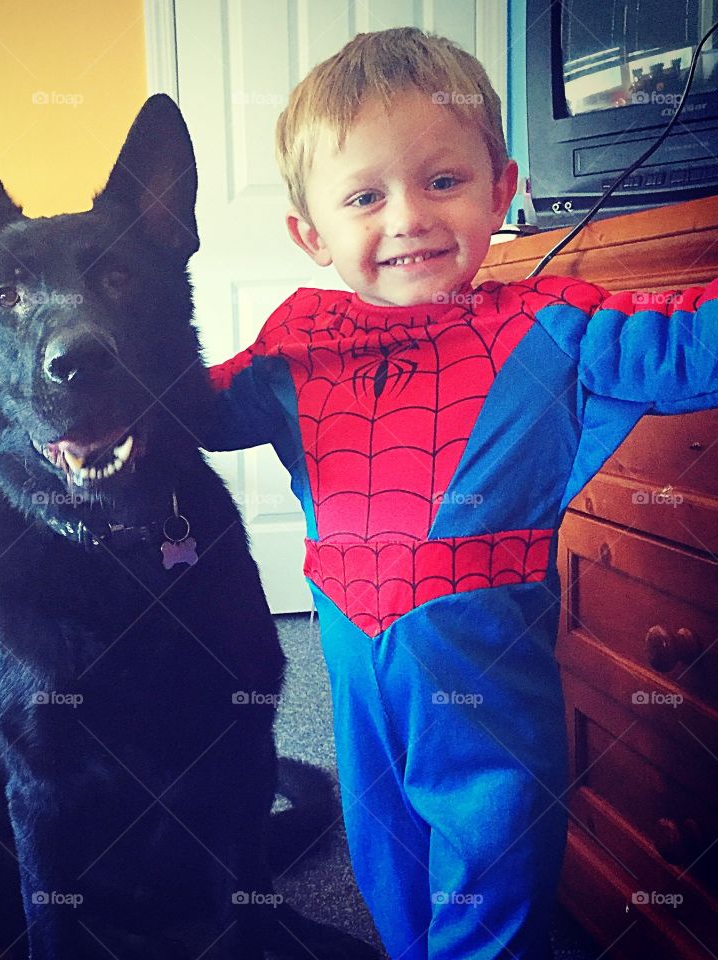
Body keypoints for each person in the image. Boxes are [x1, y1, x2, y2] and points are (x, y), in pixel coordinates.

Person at [201, 27, 718, 960]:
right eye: (366, 196)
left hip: (483, 674)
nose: (408, 218)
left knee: (494, 857)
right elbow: (186, 407)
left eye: (444, 181)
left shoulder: (556, 327)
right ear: (311, 234)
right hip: (353, 666)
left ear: (504, 190)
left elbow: (689, 344)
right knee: (384, 852)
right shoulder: (294, 344)